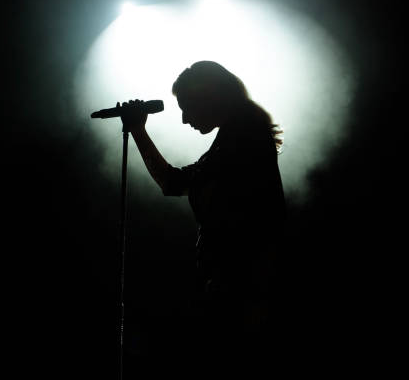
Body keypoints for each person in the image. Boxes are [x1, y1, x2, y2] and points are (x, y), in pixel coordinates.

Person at [119, 61, 285, 378]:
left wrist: (138, 130)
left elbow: (173, 183)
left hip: (242, 288)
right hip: (236, 285)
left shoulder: (243, 138)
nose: (184, 119)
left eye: (188, 107)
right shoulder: (238, 135)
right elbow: (175, 183)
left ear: (211, 97)